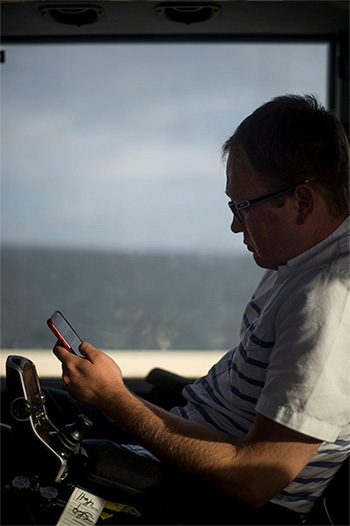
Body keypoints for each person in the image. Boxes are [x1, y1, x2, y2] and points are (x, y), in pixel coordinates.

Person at [53, 94, 349, 524]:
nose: (234, 225)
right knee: (40, 408)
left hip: (209, 498)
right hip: (188, 447)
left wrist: (115, 399)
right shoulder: (295, 264)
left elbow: (256, 480)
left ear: (301, 202)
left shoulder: (329, 301)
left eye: (242, 207)